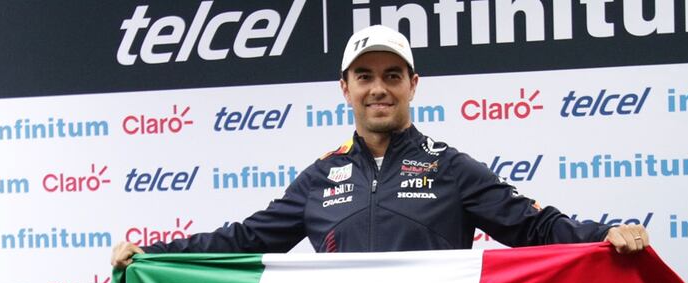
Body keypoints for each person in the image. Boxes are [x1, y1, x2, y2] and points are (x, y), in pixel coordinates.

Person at [110, 25, 649, 268]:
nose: (378, 88)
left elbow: (531, 226)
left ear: (413, 85)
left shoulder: (450, 167)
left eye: (392, 75)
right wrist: (157, 256)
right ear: (345, 89)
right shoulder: (320, 178)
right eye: (364, 76)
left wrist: (603, 235)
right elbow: (248, 239)